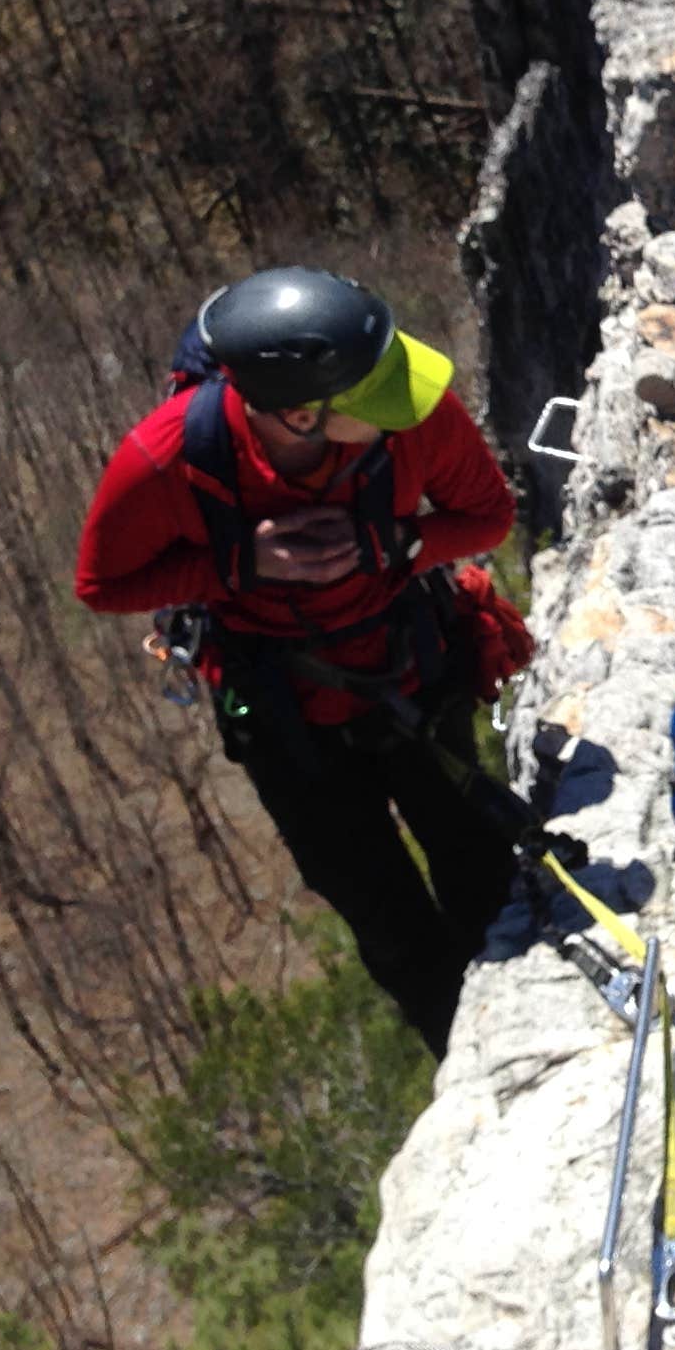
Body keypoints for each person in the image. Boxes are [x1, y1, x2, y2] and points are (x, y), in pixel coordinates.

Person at [74, 267, 523, 1056]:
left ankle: (524, 1023)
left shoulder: (413, 418)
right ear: (297, 413)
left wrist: (397, 544)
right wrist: (236, 566)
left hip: (409, 671)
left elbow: (487, 512)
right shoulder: (168, 458)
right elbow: (102, 583)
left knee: (476, 860)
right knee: (387, 921)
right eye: (375, 400)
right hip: (285, 715)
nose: (403, 411)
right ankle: (465, 1061)